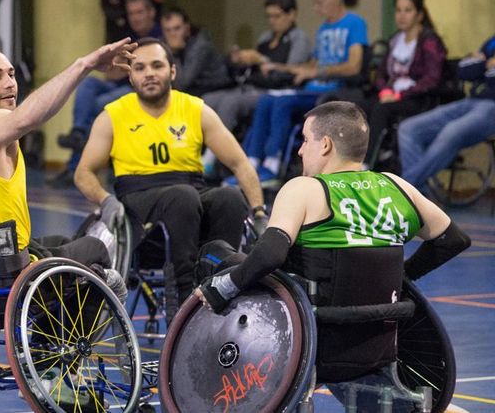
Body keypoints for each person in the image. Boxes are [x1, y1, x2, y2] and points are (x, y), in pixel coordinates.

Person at [197, 101, 470, 410]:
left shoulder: (304, 189)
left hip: (310, 344)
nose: (300, 151)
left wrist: (223, 287)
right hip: (378, 347)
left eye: (304, 139)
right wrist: (404, 275)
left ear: (324, 144)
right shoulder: (397, 186)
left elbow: (270, 254)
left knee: (216, 255)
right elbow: (452, 239)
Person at [0, 39, 136, 301]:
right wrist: (84, 65)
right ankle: (61, 339)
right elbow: (28, 118)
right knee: (95, 248)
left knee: (58, 240)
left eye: (11, 74)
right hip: (7, 277)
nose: (9, 83)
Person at [74, 37, 266, 303]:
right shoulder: (112, 115)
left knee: (228, 197)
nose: (149, 74)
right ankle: (183, 295)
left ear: (172, 71)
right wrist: (105, 200)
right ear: (131, 77)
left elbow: (240, 163)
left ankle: (222, 280)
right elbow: (83, 172)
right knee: (182, 196)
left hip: (190, 193)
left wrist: (258, 212)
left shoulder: (195, 109)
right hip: (139, 203)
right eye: (140, 68)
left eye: (157, 66)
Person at [225, 0, 368, 184]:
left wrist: (319, 73)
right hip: (312, 88)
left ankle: (273, 164)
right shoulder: (323, 29)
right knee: (267, 99)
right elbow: (309, 67)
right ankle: (252, 163)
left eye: (319, 1)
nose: (316, 7)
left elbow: (354, 65)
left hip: (334, 91)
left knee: (282, 102)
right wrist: (275, 66)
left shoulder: (354, 23)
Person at [51, 0, 163, 187]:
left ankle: (75, 167)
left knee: (100, 104)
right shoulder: (128, 37)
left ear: (151, 12)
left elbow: (147, 73)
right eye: (131, 13)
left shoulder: (160, 37)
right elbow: (110, 73)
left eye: (139, 12)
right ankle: (78, 133)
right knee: (88, 83)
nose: (135, 18)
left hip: (140, 90)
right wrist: (121, 68)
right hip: (118, 84)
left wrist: (129, 69)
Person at [398, 33, 495, 189]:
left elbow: (487, 74)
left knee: (451, 131)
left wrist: (483, 64)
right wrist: (485, 65)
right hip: (470, 100)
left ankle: (404, 189)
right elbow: (464, 71)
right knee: (408, 128)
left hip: (491, 107)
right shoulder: (492, 42)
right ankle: (418, 197)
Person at [363, 0, 446, 168]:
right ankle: (374, 154)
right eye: (398, 10)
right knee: (361, 106)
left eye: (407, 10)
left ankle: (366, 163)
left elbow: (432, 79)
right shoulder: (395, 40)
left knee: (381, 110)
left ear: (419, 15)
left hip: (418, 98)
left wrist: (400, 95)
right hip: (390, 95)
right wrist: (384, 90)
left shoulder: (429, 41)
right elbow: (381, 73)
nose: (401, 15)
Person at [216, 0, 313, 133]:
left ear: (291, 15)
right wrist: (241, 60)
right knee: (210, 98)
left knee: (230, 102)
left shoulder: (299, 39)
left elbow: (291, 71)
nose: (272, 21)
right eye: (269, 16)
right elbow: (254, 66)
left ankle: (215, 150)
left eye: (277, 16)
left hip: (275, 90)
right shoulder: (266, 37)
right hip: (252, 84)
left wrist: (261, 59)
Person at [161, 7, 231, 99]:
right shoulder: (162, 43)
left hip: (215, 89)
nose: (172, 34)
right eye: (168, 30)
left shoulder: (201, 45)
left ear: (187, 27)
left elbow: (182, 84)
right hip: (194, 90)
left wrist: (174, 52)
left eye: (177, 28)